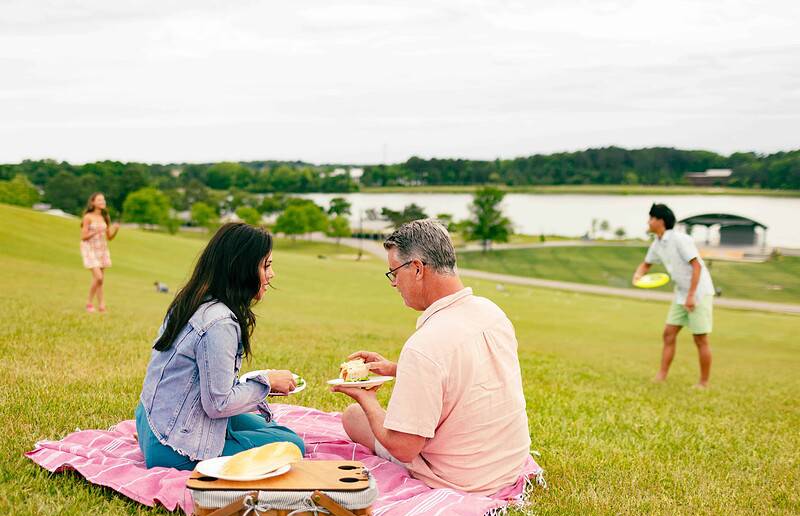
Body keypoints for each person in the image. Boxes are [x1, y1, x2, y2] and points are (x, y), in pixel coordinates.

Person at [332, 219, 531, 495]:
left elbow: (404, 448)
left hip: (461, 480)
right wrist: (395, 369)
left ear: (416, 269)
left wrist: (366, 400)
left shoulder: (425, 345)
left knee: (353, 417)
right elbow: (466, 374)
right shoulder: (492, 313)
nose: (393, 284)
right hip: (507, 464)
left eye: (393, 273)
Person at [135, 223, 304, 470]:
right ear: (242, 268)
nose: (271, 274)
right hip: (174, 447)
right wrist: (266, 384)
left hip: (152, 423)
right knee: (292, 444)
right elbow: (219, 404)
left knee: (272, 428)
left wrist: (260, 382)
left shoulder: (191, 300)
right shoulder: (219, 322)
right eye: (266, 265)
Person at [633, 203, 715, 388]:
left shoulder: (680, 239)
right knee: (668, 334)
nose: (648, 222)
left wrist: (692, 296)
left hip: (698, 293)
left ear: (660, 221)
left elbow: (697, 266)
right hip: (681, 294)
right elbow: (646, 264)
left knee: (700, 338)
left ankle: (703, 382)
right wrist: (638, 275)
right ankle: (661, 376)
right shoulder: (657, 243)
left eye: (651, 218)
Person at [80, 192, 120, 313]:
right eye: (99, 200)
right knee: (98, 277)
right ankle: (89, 303)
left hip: (101, 248)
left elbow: (109, 237)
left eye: (103, 200)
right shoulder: (88, 217)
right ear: (93, 202)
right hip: (89, 248)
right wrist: (96, 231)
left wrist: (116, 230)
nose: (102, 202)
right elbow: (83, 236)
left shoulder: (105, 217)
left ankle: (102, 306)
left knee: (101, 280)